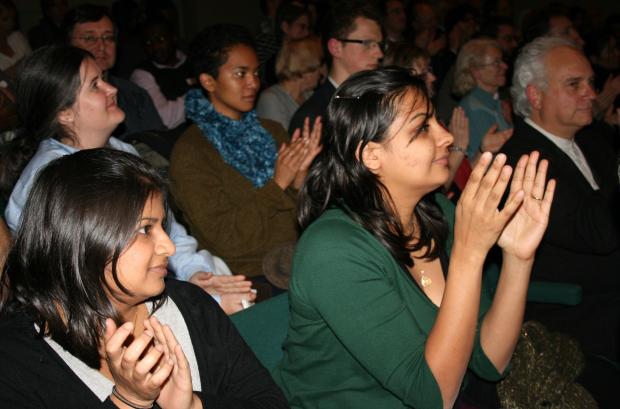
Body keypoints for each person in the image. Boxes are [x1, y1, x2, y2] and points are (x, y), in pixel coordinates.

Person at [275, 66, 555, 409]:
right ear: (371, 156)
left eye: (436, 121)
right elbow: (434, 396)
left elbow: (490, 361)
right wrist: (469, 252)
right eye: (422, 128)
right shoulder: (332, 250)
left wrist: (518, 257)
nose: (447, 137)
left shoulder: (438, 212)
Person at [0, 148, 289, 408]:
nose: (169, 247)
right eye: (145, 230)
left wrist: (191, 406)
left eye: (162, 226)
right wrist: (128, 402)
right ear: (82, 241)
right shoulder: (17, 361)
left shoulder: (190, 306)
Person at [1, 45, 254, 314]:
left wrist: (196, 274)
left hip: (151, 285)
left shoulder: (123, 152)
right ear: (64, 113)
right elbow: (90, 294)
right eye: (95, 85)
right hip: (96, 317)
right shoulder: (51, 181)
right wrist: (202, 305)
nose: (112, 89)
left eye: (104, 80)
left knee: (229, 284)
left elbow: (168, 230)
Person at [501, 36, 620, 364]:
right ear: (535, 96)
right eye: (574, 84)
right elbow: (600, 234)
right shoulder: (521, 161)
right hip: (578, 316)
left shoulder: (592, 140)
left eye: (591, 83)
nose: (592, 94)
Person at [170, 24, 321, 279]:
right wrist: (278, 183)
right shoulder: (192, 151)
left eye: (255, 73)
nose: (253, 83)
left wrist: (299, 182)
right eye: (240, 74)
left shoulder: (271, 130)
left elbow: (307, 217)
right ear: (208, 81)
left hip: (302, 255)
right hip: (251, 275)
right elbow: (227, 240)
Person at [64, 4, 165, 139]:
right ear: (67, 44)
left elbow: (158, 145)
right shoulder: (59, 98)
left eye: (108, 38)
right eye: (89, 38)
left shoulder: (134, 95)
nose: (101, 46)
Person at [288, 0, 383, 136]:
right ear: (336, 48)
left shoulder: (378, 100)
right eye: (368, 43)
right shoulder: (313, 119)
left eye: (379, 45)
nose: (379, 54)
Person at [453, 38, 513, 159]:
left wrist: (510, 122)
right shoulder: (474, 109)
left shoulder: (495, 103)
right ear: (476, 71)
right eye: (496, 63)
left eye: (502, 60)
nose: (505, 66)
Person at [131, 17, 194, 130]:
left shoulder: (195, 62)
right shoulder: (142, 74)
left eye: (160, 39)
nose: (155, 47)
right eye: (148, 43)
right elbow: (165, 119)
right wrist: (200, 94)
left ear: (174, 38)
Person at [256, 36, 323, 130]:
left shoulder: (309, 94)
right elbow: (283, 141)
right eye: (317, 67)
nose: (321, 72)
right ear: (304, 68)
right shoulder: (271, 99)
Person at [0, 0, 31, 77]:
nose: (11, 23)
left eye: (13, 18)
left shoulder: (17, 37)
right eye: (5, 19)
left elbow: (33, 64)